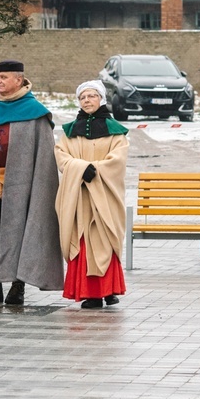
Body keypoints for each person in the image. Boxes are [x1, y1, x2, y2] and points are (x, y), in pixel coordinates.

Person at [0, 60, 64, 305]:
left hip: (23, 185)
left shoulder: (34, 113)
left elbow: (44, 157)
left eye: (3, 77)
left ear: (19, 80)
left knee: (20, 233)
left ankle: (18, 286)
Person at [54, 80, 130, 309]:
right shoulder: (69, 132)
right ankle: (93, 293)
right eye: (83, 97)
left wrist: (95, 170)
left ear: (101, 99)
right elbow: (61, 155)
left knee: (105, 240)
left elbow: (118, 159)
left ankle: (110, 290)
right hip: (80, 197)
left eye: (92, 96)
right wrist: (79, 169)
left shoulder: (115, 131)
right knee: (84, 241)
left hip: (105, 195)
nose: (87, 101)